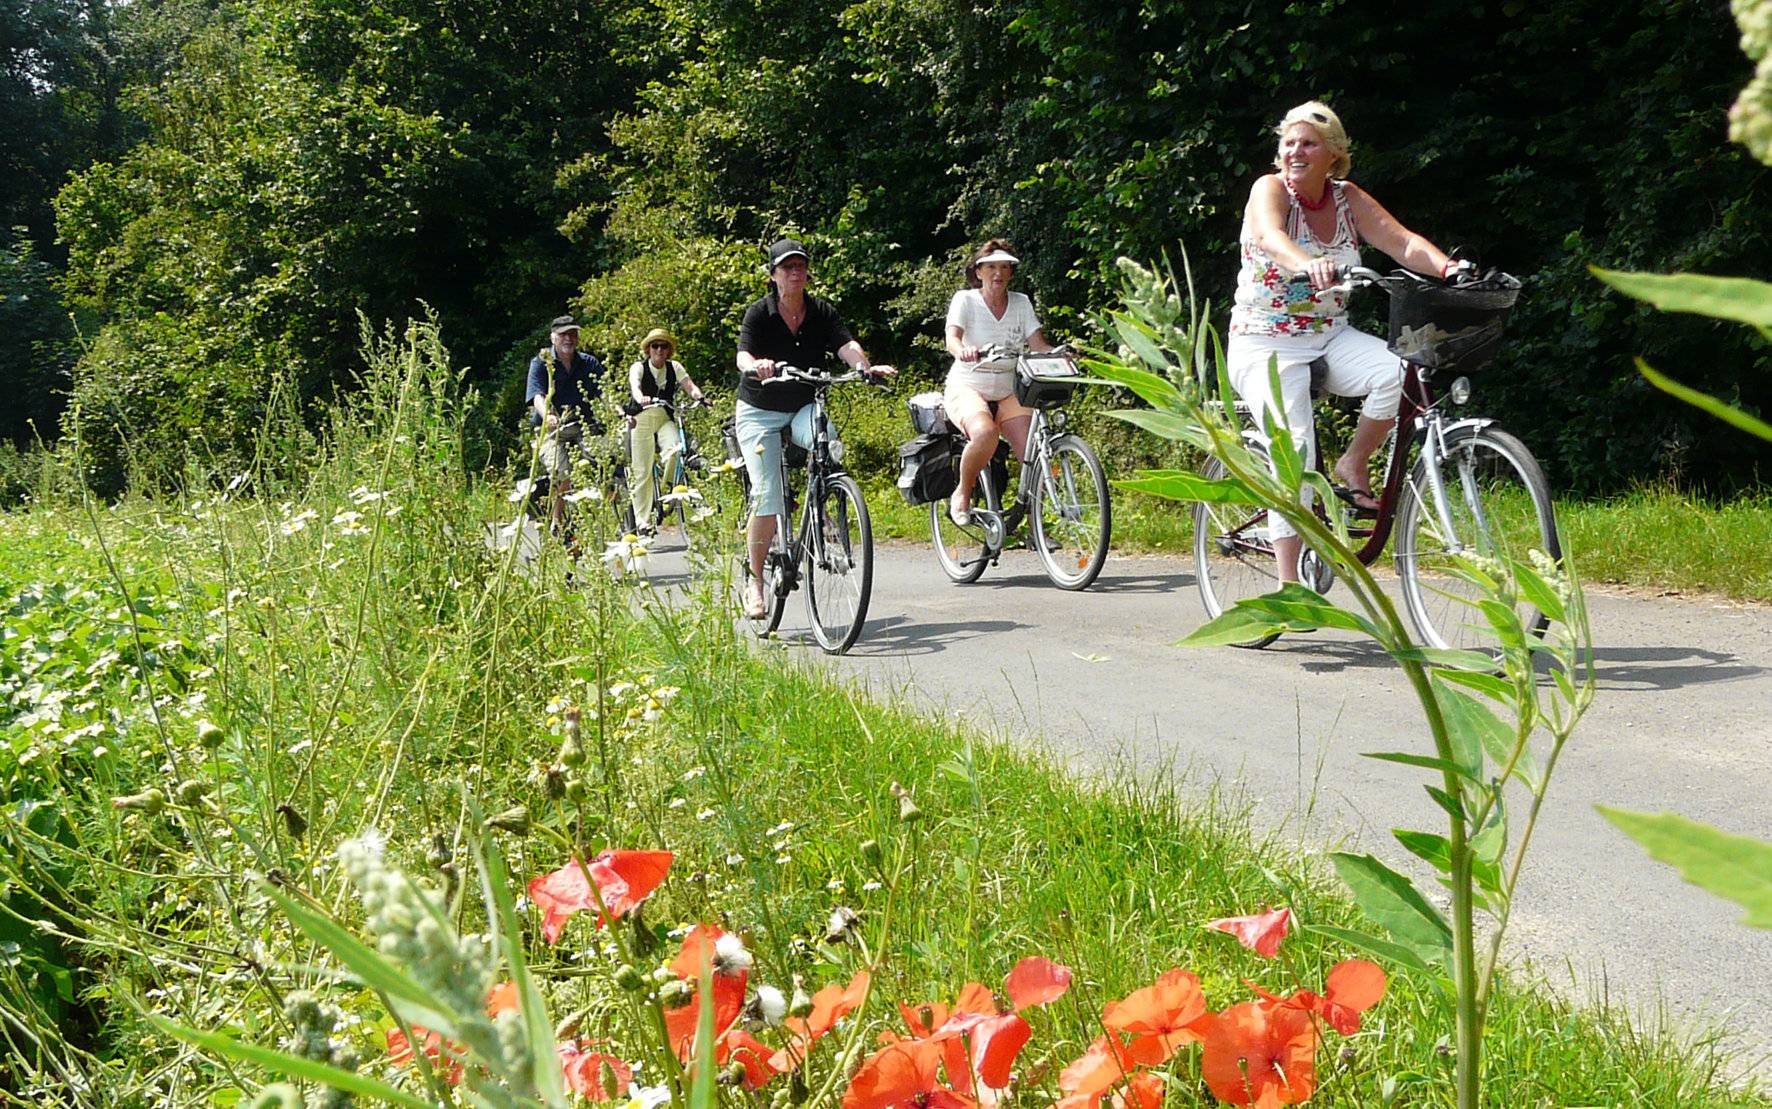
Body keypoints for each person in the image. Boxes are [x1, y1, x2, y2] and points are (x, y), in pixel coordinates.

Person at [1226, 100, 1470, 585]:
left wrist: (1448, 268)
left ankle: (1353, 463)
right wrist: (1305, 263)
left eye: (1308, 143)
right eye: (1289, 142)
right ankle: (1288, 585)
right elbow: (1271, 236)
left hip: (1329, 335)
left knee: (1402, 371)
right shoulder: (1269, 189)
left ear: (1333, 153)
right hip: (1265, 343)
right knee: (1294, 451)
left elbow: (1401, 243)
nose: (1296, 151)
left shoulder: (1345, 198)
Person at [735, 238, 894, 619]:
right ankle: (754, 582)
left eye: (800, 266)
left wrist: (863, 367)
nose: (795, 272)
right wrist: (756, 365)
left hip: (805, 403)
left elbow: (846, 344)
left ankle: (822, 506)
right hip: (760, 411)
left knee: (828, 441)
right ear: (773, 275)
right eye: (786, 267)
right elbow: (743, 353)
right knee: (767, 495)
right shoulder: (759, 313)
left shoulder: (821, 311)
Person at [941, 239, 1060, 525]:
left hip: (1009, 389)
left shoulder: (1021, 303)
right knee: (985, 434)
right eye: (992, 267)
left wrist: (1062, 353)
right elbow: (952, 339)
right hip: (969, 384)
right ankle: (963, 492)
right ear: (979, 271)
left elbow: (1037, 344)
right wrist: (963, 351)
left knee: (1032, 450)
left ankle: (1036, 524)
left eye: (1005, 267)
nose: (999, 274)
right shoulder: (965, 300)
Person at [525, 315, 609, 527]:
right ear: (553, 338)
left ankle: (611, 515)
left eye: (572, 334)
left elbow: (604, 392)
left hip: (583, 426)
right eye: (563, 335)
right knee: (561, 470)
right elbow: (537, 396)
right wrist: (548, 415)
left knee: (605, 460)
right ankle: (556, 521)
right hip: (553, 429)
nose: (568, 339)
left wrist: (616, 410)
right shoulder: (541, 363)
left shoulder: (589, 363)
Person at [625, 328, 707, 534]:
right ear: (648, 349)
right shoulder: (639, 367)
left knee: (675, 450)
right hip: (641, 419)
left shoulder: (674, 367)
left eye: (664, 346)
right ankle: (643, 521)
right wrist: (640, 397)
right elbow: (635, 386)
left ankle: (665, 489)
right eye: (655, 346)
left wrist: (700, 398)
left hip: (664, 417)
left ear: (669, 350)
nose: (659, 350)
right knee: (642, 471)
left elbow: (689, 385)